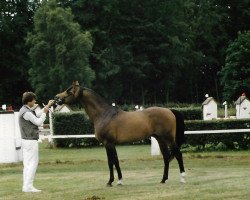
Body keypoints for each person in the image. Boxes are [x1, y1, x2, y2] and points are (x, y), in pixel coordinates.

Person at [19, 92, 54, 193]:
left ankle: (26, 186)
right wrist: (45, 112)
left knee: (27, 164)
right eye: (33, 100)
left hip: (26, 140)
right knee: (32, 163)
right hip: (30, 141)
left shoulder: (25, 110)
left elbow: (36, 114)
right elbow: (38, 122)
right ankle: (28, 187)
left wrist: (47, 106)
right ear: (29, 101)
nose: (35, 101)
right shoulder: (27, 112)